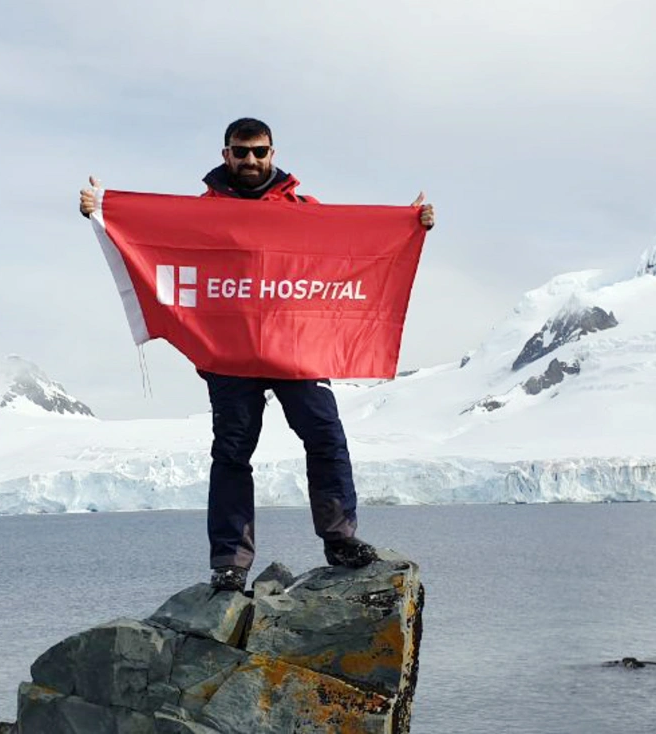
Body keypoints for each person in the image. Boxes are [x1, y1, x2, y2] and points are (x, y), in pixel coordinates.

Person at [80, 118, 434, 593]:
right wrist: (104, 210)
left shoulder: (303, 210)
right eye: (240, 152)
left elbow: (350, 246)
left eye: (259, 152)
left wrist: (405, 225)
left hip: (296, 349)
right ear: (225, 154)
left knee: (326, 437)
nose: (250, 161)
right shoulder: (201, 213)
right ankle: (230, 561)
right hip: (231, 354)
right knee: (231, 452)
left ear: (272, 153)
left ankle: (340, 539)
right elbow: (149, 234)